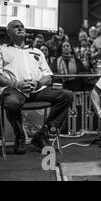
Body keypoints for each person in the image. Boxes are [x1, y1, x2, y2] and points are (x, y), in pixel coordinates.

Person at [0, 20, 73, 154]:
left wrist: (38, 83)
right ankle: (20, 136)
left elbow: (48, 76)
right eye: (16, 27)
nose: (21, 28)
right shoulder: (2, 49)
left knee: (67, 95)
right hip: (14, 90)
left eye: (22, 26)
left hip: (37, 90)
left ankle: (43, 134)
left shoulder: (37, 51)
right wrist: (17, 84)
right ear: (8, 33)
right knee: (11, 102)